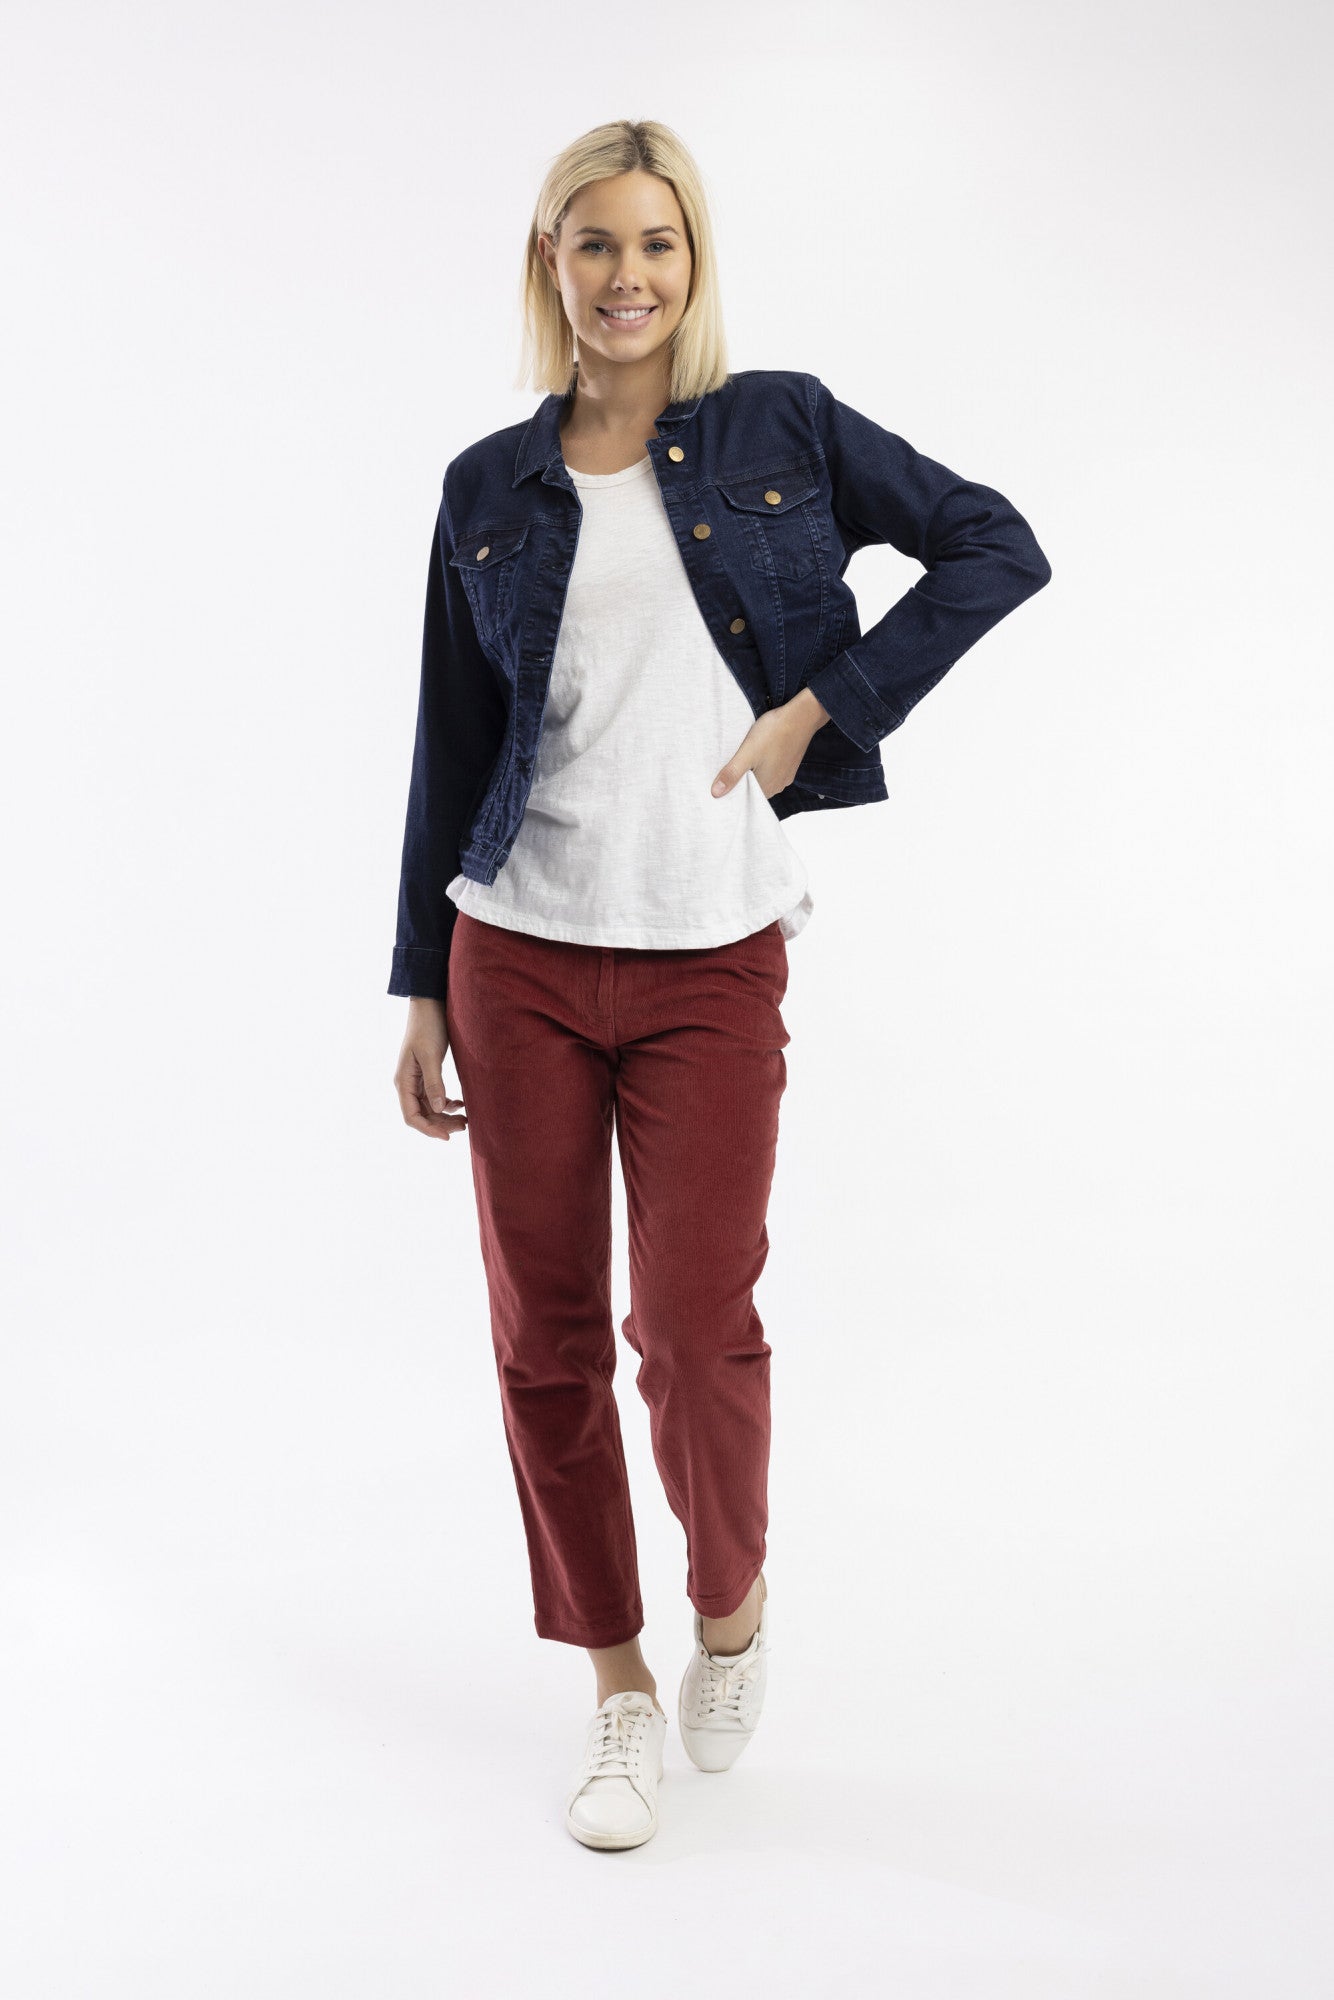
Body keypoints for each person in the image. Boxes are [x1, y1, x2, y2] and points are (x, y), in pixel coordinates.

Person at [388, 118, 1052, 1852]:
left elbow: (993, 544)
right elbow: (448, 740)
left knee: (691, 1332)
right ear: (549, 262)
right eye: (595, 243)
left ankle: (730, 1613)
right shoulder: (485, 485)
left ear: (694, 262)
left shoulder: (783, 427)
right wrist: (419, 982)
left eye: (657, 243)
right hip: (518, 952)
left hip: (709, 955)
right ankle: (615, 1688)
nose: (628, 277)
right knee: (543, 1340)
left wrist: (822, 708)